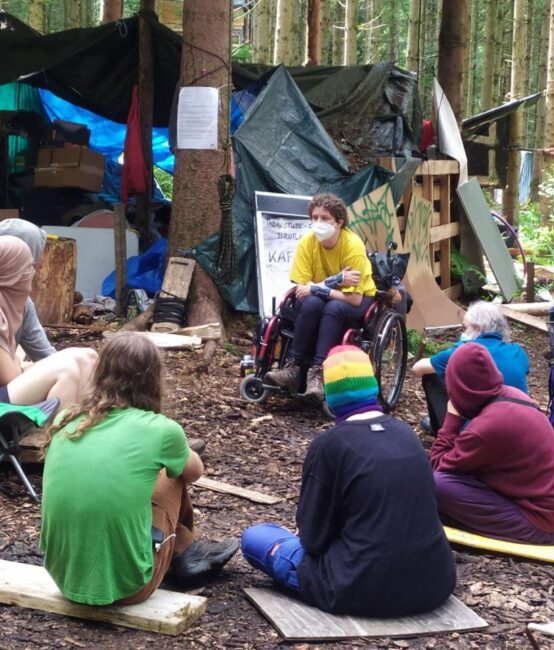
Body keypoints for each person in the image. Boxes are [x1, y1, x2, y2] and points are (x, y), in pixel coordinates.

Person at [242, 345, 456, 617]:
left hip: (354, 587)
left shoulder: (329, 445)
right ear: (373, 387)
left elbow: (312, 539)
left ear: (331, 398)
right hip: (434, 583)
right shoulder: (407, 435)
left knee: (255, 537)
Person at [40, 332, 239, 605]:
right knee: (171, 476)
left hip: (63, 578)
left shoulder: (66, 418)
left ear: (100, 373)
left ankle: (185, 549)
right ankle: (187, 552)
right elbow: (195, 472)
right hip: (130, 586)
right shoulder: (160, 430)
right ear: (153, 379)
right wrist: (179, 448)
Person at [430, 343, 554, 544]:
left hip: (539, 523)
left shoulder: (489, 425)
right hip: (551, 510)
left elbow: (437, 466)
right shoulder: (512, 395)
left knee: (435, 485)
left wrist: (452, 418)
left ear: (459, 386)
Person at [263, 193, 377, 401]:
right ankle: (293, 367)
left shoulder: (352, 246)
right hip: (325, 297)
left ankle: (318, 372)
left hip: (356, 298)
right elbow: (301, 289)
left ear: (339, 222)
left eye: (325, 218)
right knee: (311, 303)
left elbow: (354, 299)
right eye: (314, 217)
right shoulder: (306, 243)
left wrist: (317, 288)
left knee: (333, 307)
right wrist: (336, 280)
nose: (318, 222)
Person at [0, 235, 96, 408]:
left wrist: (16, 360)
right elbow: (10, 376)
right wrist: (17, 358)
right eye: (27, 268)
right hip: (4, 394)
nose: (34, 273)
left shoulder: (13, 305)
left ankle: (87, 418)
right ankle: (59, 425)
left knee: (87, 357)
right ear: (10, 273)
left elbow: (37, 356)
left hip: (6, 389)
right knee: (66, 371)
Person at [413, 300, 529, 433]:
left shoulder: (464, 350)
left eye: (466, 327)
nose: (465, 332)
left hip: (481, 430)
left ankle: (446, 430)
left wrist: (457, 347)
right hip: (522, 424)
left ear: (477, 328)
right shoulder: (518, 351)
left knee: (431, 375)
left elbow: (418, 368)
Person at [0, 218, 56, 361]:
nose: (41, 262)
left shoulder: (23, 304)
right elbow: (9, 372)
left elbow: (44, 354)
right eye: (29, 265)